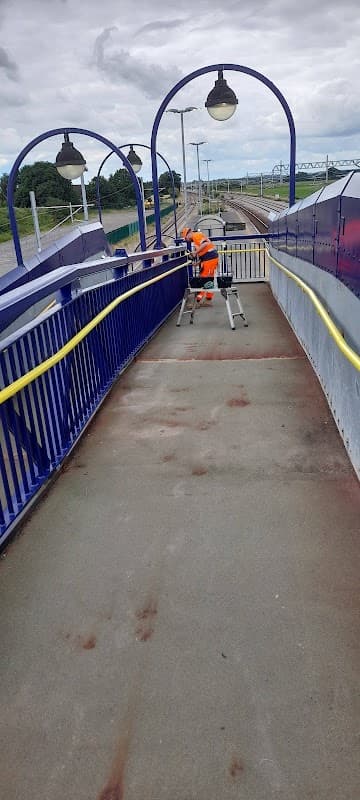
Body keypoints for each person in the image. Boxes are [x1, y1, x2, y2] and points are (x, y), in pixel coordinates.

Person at [181, 227, 219, 304]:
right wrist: (198, 262)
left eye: (185, 239)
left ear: (187, 235)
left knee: (204, 279)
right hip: (209, 259)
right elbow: (205, 251)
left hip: (210, 259)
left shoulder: (196, 235)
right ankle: (208, 299)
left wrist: (195, 252)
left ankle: (199, 300)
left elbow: (205, 244)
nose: (187, 240)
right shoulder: (197, 237)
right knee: (209, 279)